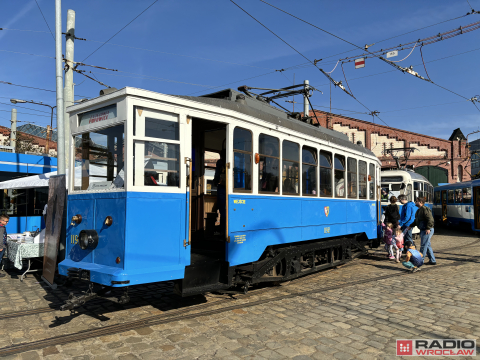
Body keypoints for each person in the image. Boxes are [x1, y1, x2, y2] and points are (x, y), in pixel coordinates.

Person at [407, 197, 436, 265]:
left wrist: (428, 228)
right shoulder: (419, 210)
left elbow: (430, 219)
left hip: (426, 229)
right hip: (424, 229)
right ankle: (432, 260)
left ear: (421, 202)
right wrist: (411, 225)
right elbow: (416, 220)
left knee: (423, 245)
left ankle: (419, 261)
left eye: (416, 201)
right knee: (427, 245)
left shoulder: (425, 209)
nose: (415, 202)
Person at [213, 145, 227, 236]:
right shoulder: (234, 161)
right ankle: (225, 230)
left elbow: (217, 175)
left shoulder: (220, 162)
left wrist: (215, 181)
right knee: (226, 211)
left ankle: (222, 230)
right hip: (231, 188)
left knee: (222, 211)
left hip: (222, 187)